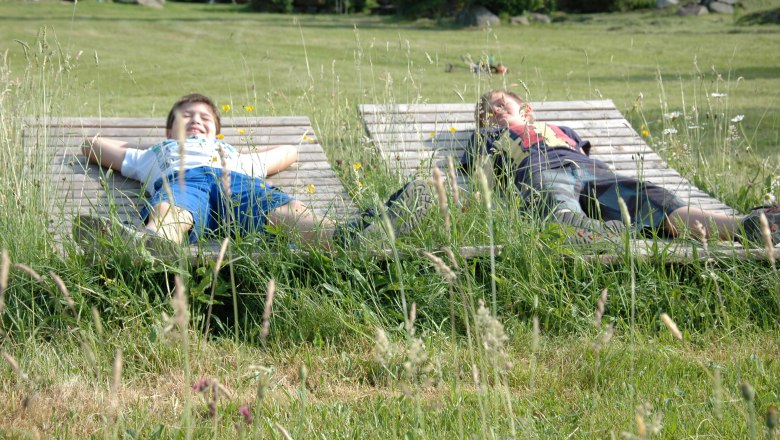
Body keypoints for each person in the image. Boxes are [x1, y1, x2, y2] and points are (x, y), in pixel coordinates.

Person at [75, 93, 434, 257]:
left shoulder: (233, 154)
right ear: (169, 132)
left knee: (283, 210)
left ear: (217, 132)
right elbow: (94, 147)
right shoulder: (155, 154)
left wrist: (249, 157)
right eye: (185, 116)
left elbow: (289, 153)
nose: (196, 120)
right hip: (185, 180)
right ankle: (151, 248)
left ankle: (351, 238)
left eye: (205, 118)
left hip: (235, 182)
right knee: (173, 210)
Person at [460, 89, 780, 246]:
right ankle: (591, 231)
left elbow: (581, 152)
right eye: (487, 109)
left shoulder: (560, 129)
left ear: (526, 110)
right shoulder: (486, 135)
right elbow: (477, 173)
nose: (495, 110)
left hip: (590, 169)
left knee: (653, 198)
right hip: (538, 167)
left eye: (502, 103)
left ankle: (747, 227)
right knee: (555, 204)